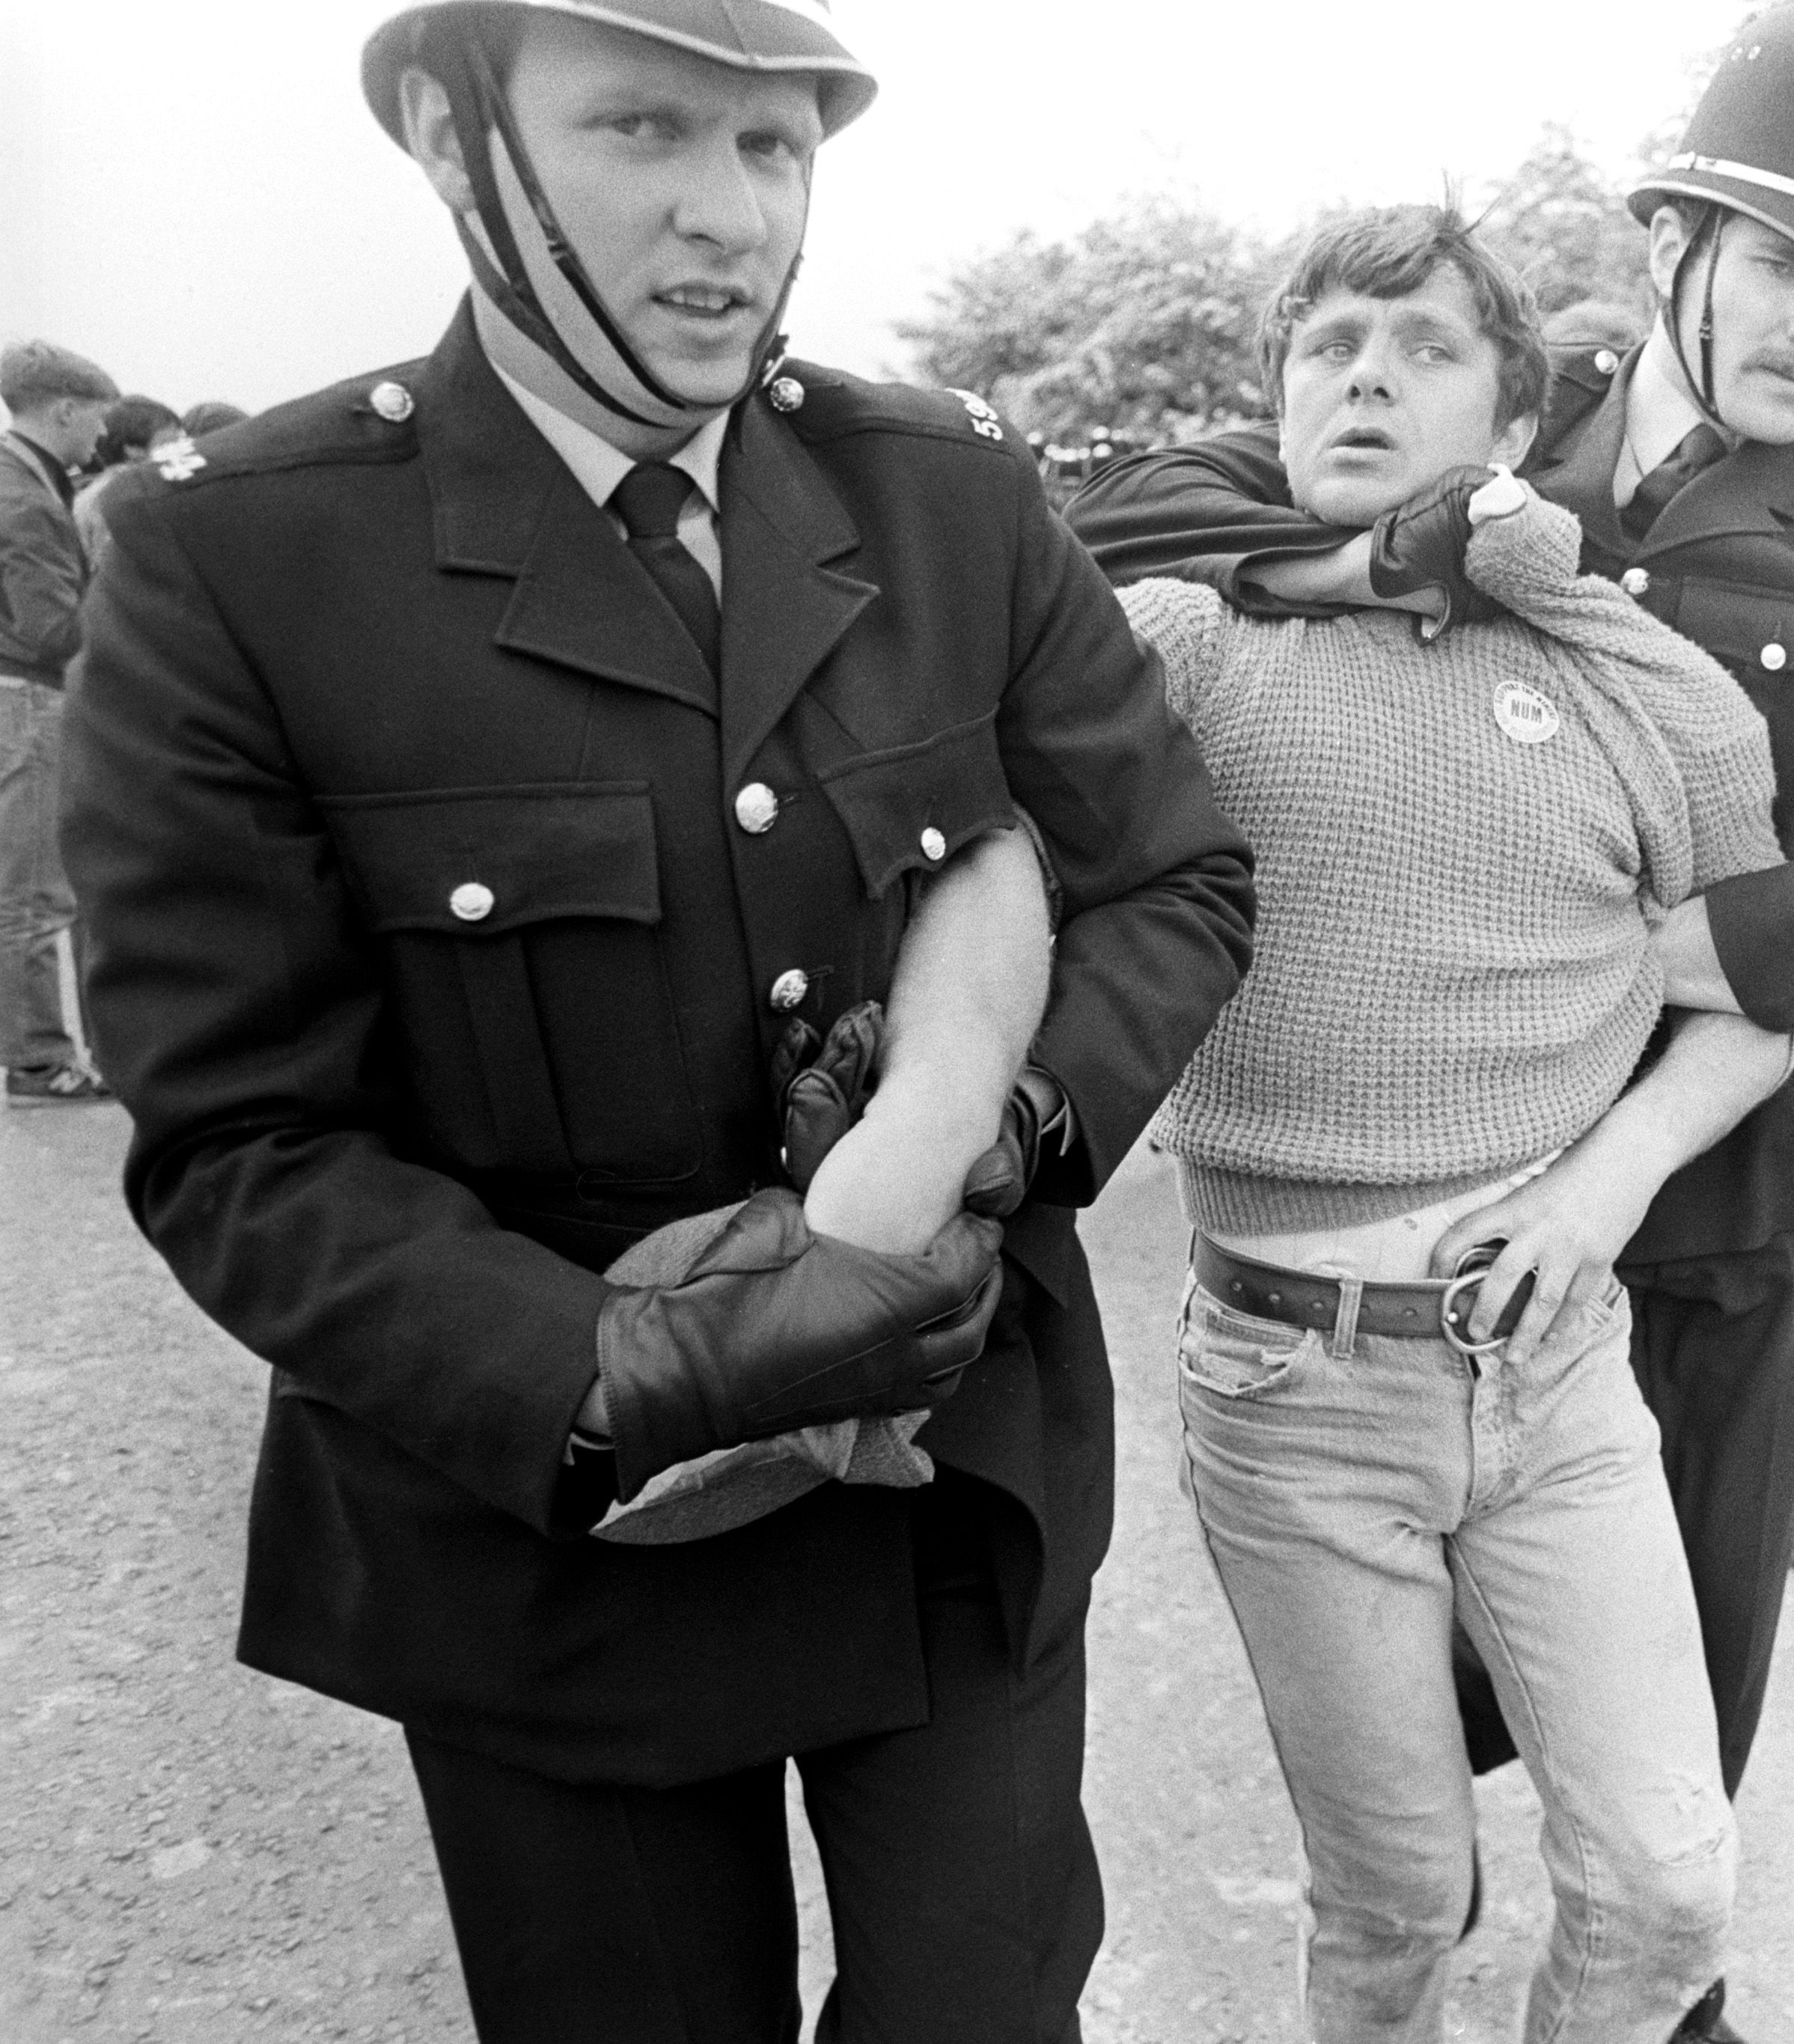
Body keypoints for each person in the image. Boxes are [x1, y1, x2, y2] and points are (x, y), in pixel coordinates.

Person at [61, 3, 1252, 2037]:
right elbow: (243, 1136)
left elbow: (1172, 874)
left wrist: (1000, 1127)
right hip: (556, 1552)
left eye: (774, 149)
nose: (726, 218)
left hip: (941, 1499)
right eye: (642, 129)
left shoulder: (945, 497)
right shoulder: (237, 563)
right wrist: (618, 1367)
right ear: (452, 132)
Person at [1070, 28, 1794, 2031]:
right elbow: (1157, 526)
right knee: (1410, 1799)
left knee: (1674, 1813)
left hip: (1714, 1205)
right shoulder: (1499, 397)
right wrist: (1363, 560)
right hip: (1402, 1219)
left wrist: (1608, 953)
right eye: (1782, 261)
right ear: (1668, 240)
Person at [1130, 199, 1794, 2044]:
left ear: (1510, 430)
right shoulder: (1177, 645)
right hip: (1289, 1399)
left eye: (1426, 347)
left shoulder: (1643, 688)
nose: (1365, 372)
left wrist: (1606, 1186)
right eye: (1328, 343)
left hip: (1560, 1379)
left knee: (1670, 1886)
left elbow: (1775, 998)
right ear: (1273, 397)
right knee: (1397, 1905)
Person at [0, 339, 117, 1107]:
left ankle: (42, 1054)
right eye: (98, 420)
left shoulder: (20, 480)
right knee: (35, 894)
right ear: (65, 409)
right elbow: (52, 629)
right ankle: (39, 1062)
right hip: (32, 695)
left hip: (18, 691)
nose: (103, 438)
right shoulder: (25, 498)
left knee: (31, 887)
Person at [72, 394, 186, 574]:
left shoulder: (97, 492)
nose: (183, 450)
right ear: (132, 449)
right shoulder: (123, 496)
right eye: (169, 444)